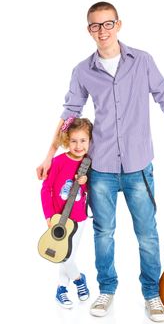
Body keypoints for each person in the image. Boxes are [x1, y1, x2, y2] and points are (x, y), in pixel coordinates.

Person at [37, 2, 164, 322]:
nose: (102, 31)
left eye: (107, 24)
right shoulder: (83, 70)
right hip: (102, 168)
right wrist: (48, 154)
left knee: (147, 234)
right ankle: (106, 289)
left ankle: (152, 293)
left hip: (139, 166)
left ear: (118, 25)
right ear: (89, 30)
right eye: (95, 26)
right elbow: (69, 114)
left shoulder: (142, 61)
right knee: (103, 232)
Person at [40, 117, 93, 309]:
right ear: (66, 141)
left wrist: (85, 181)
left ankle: (61, 289)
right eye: (74, 141)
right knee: (63, 255)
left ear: (89, 141)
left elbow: (91, 191)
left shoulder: (89, 163)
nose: (78, 146)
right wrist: (49, 216)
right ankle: (79, 280)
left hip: (79, 219)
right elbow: (46, 190)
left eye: (83, 141)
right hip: (58, 220)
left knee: (66, 256)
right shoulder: (58, 162)